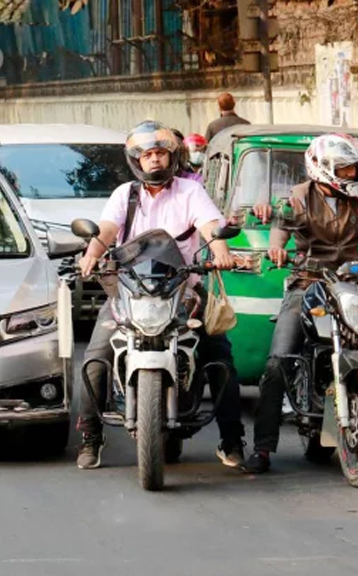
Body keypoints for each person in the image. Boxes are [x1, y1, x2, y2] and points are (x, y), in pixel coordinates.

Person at [242, 133, 358, 473]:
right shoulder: (299, 196)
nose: (354, 173)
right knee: (278, 362)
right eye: (347, 168)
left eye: (354, 167)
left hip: (352, 284)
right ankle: (263, 448)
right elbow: (282, 224)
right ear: (324, 170)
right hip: (308, 283)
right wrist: (277, 247)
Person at [75, 120, 245, 470]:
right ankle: (91, 437)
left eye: (161, 154)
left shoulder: (189, 191)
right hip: (130, 290)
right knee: (95, 358)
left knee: (220, 357)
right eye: (148, 155)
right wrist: (93, 252)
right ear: (136, 160)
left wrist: (221, 249)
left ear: (173, 157)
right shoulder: (125, 194)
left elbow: (210, 225)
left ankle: (232, 440)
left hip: (183, 288)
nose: (155, 160)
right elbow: (107, 228)